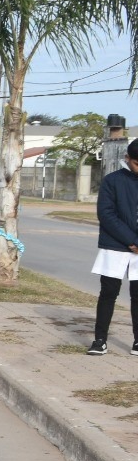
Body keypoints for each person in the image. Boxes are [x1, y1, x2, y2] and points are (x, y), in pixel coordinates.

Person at [89, 139, 138, 355]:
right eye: (137, 163)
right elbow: (106, 214)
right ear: (127, 159)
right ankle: (100, 340)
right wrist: (132, 241)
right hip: (115, 245)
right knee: (109, 292)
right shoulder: (112, 181)